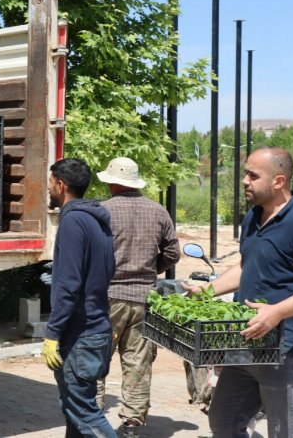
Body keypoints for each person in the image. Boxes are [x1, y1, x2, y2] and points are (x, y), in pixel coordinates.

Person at [182, 146, 293, 438]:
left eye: (253, 175)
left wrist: (277, 311)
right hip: (247, 343)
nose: (245, 181)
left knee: (285, 432)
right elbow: (247, 267)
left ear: (278, 181)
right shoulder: (253, 217)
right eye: (246, 174)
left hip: (289, 349)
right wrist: (207, 291)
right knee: (224, 422)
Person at [94, 157, 180, 437]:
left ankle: (92, 418)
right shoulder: (158, 211)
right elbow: (172, 253)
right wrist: (149, 271)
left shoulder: (102, 212)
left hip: (107, 297)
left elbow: (91, 254)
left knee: (96, 358)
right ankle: (132, 424)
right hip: (145, 298)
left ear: (113, 183)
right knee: (138, 362)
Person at [42, 158, 117, 438]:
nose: (48, 188)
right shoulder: (97, 219)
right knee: (74, 412)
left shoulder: (73, 222)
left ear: (61, 185)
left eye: (50, 182)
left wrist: (52, 333)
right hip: (96, 330)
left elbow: (68, 286)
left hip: (80, 335)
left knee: (84, 413)